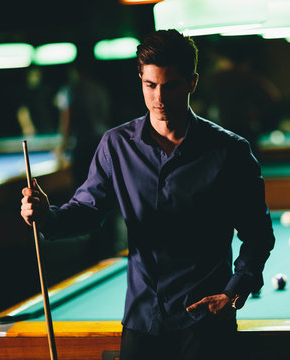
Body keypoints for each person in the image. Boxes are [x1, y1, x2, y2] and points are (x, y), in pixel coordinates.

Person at [20, 29, 275, 360]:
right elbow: (86, 212)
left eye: (170, 86)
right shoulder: (116, 146)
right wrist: (46, 216)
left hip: (204, 322)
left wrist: (234, 293)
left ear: (192, 83)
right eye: (150, 86)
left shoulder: (230, 152)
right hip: (142, 319)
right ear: (141, 80)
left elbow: (258, 234)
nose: (159, 98)